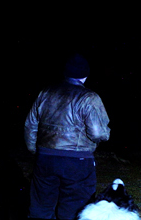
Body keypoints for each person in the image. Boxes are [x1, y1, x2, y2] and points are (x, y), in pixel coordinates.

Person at [24, 53, 112, 220]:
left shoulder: (46, 93)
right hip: (77, 162)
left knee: (40, 207)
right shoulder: (89, 97)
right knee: (74, 209)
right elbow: (98, 133)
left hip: (45, 158)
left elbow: (30, 125)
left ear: (65, 73)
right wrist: (106, 134)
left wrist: (34, 149)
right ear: (86, 74)